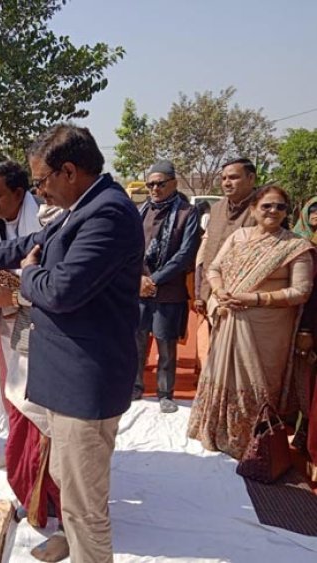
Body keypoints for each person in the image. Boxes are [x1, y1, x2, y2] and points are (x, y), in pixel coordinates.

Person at [0, 124, 144, 562]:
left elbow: (59, 289)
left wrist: (26, 275)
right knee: (61, 472)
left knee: (84, 503)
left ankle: (86, 551)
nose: (39, 190)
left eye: (40, 181)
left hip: (85, 380)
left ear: (70, 171)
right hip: (62, 375)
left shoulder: (108, 214)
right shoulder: (82, 207)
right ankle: (71, 543)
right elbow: (33, 243)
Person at [188, 186, 314, 459]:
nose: (273, 211)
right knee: (222, 374)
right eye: (267, 206)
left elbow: (301, 291)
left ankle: (253, 442)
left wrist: (254, 298)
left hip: (267, 329)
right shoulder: (239, 237)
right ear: (254, 209)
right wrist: (221, 292)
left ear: (287, 212)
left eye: (280, 207)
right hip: (230, 316)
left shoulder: (295, 246)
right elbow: (214, 269)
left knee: (259, 381)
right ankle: (217, 431)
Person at [133, 160, 200, 413]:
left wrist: (155, 279)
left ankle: (165, 393)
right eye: (150, 184)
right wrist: (138, 280)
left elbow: (185, 254)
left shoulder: (186, 213)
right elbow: (129, 249)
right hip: (138, 289)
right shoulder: (139, 211)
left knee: (165, 345)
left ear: (173, 183)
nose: (155, 188)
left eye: (160, 183)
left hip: (168, 292)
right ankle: (136, 387)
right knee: (137, 341)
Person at [194, 158, 258, 315]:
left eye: (233, 177)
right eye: (224, 178)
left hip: (242, 300)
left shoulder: (263, 209)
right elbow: (205, 254)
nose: (227, 183)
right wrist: (201, 294)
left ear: (250, 179)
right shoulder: (216, 209)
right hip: (212, 296)